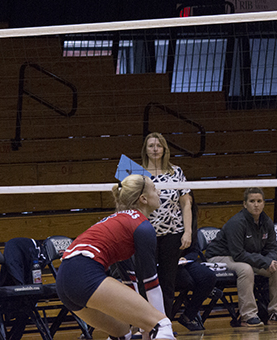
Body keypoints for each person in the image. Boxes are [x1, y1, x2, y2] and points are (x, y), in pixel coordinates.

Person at [56, 174, 175, 340]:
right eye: (155, 189)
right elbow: (151, 284)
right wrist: (157, 322)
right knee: (162, 325)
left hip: (64, 280)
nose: (159, 192)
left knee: (121, 332)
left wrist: (143, 323)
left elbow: (129, 281)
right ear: (143, 199)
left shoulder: (119, 221)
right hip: (84, 274)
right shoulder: (142, 226)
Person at [205, 187, 277, 327]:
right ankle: (248, 315)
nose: (256, 204)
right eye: (252, 201)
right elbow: (238, 254)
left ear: (263, 203)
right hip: (219, 257)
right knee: (245, 269)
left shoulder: (266, 221)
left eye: (259, 201)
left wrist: (271, 261)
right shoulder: (236, 223)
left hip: (247, 257)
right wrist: (265, 261)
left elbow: (272, 247)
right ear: (245, 204)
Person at [139, 132, 192, 314]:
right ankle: (146, 322)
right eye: (151, 145)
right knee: (146, 280)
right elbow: (127, 203)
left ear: (164, 149)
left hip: (173, 233)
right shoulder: (136, 173)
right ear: (145, 149)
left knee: (168, 281)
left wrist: (188, 232)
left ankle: (166, 323)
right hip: (146, 234)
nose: (155, 149)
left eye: (159, 146)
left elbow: (186, 203)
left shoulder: (176, 172)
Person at [173, 193, 216, 331]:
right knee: (187, 281)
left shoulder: (191, 222)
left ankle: (188, 316)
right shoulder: (167, 221)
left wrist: (185, 259)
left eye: (189, 205)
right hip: (166, 263)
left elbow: (195, 250)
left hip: (185, 263)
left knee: (208, 276)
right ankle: (165, 319)